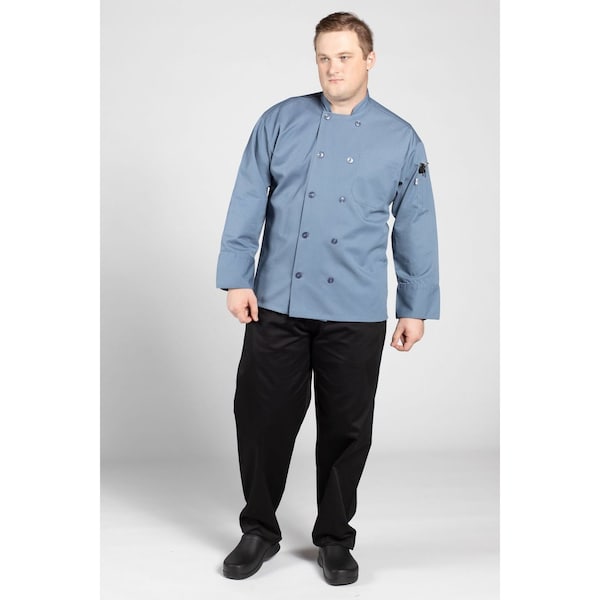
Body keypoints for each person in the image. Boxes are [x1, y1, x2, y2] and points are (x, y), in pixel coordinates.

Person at [216, 11, 440, 585]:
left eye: (344, 57)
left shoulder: (400, 137)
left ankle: (336, 538)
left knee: (346, 430)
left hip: (355, 310)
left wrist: (414, 306)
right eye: (324, 57)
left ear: (369, 59)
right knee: (261, 420)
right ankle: (258, 529)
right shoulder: (279, 121)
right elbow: (247, 198)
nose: (333, 68)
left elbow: (415, 224)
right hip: (277, 304)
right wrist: (237, 276)